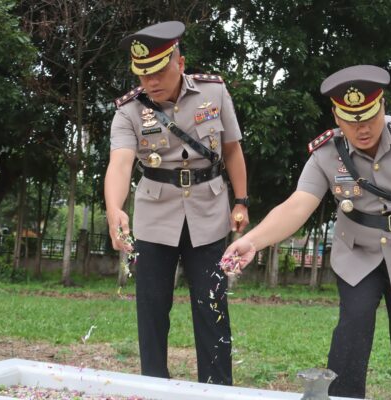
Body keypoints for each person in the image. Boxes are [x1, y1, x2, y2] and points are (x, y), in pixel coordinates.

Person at [223, 65, 391, 399]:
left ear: (382, 106)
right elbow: (297, 206)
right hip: (358, 254)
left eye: (368, 116)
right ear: (337, 117)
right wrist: (250, 240)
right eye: (351, 120)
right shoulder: (326, 154)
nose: (361, 128)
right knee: (352, 328)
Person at [104, 21, 249, 386]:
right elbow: (120, 164)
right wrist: (114, 208)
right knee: (152, 310)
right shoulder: (128, 112)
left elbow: (232, 148)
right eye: (143, 73)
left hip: (210, 213)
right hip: (154, 218)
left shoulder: (213, 93)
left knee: (212, 307)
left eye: (158, 70)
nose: (150, 81)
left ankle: (217, 390)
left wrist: (242, 201)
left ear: (179, 62)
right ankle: (154, 386)